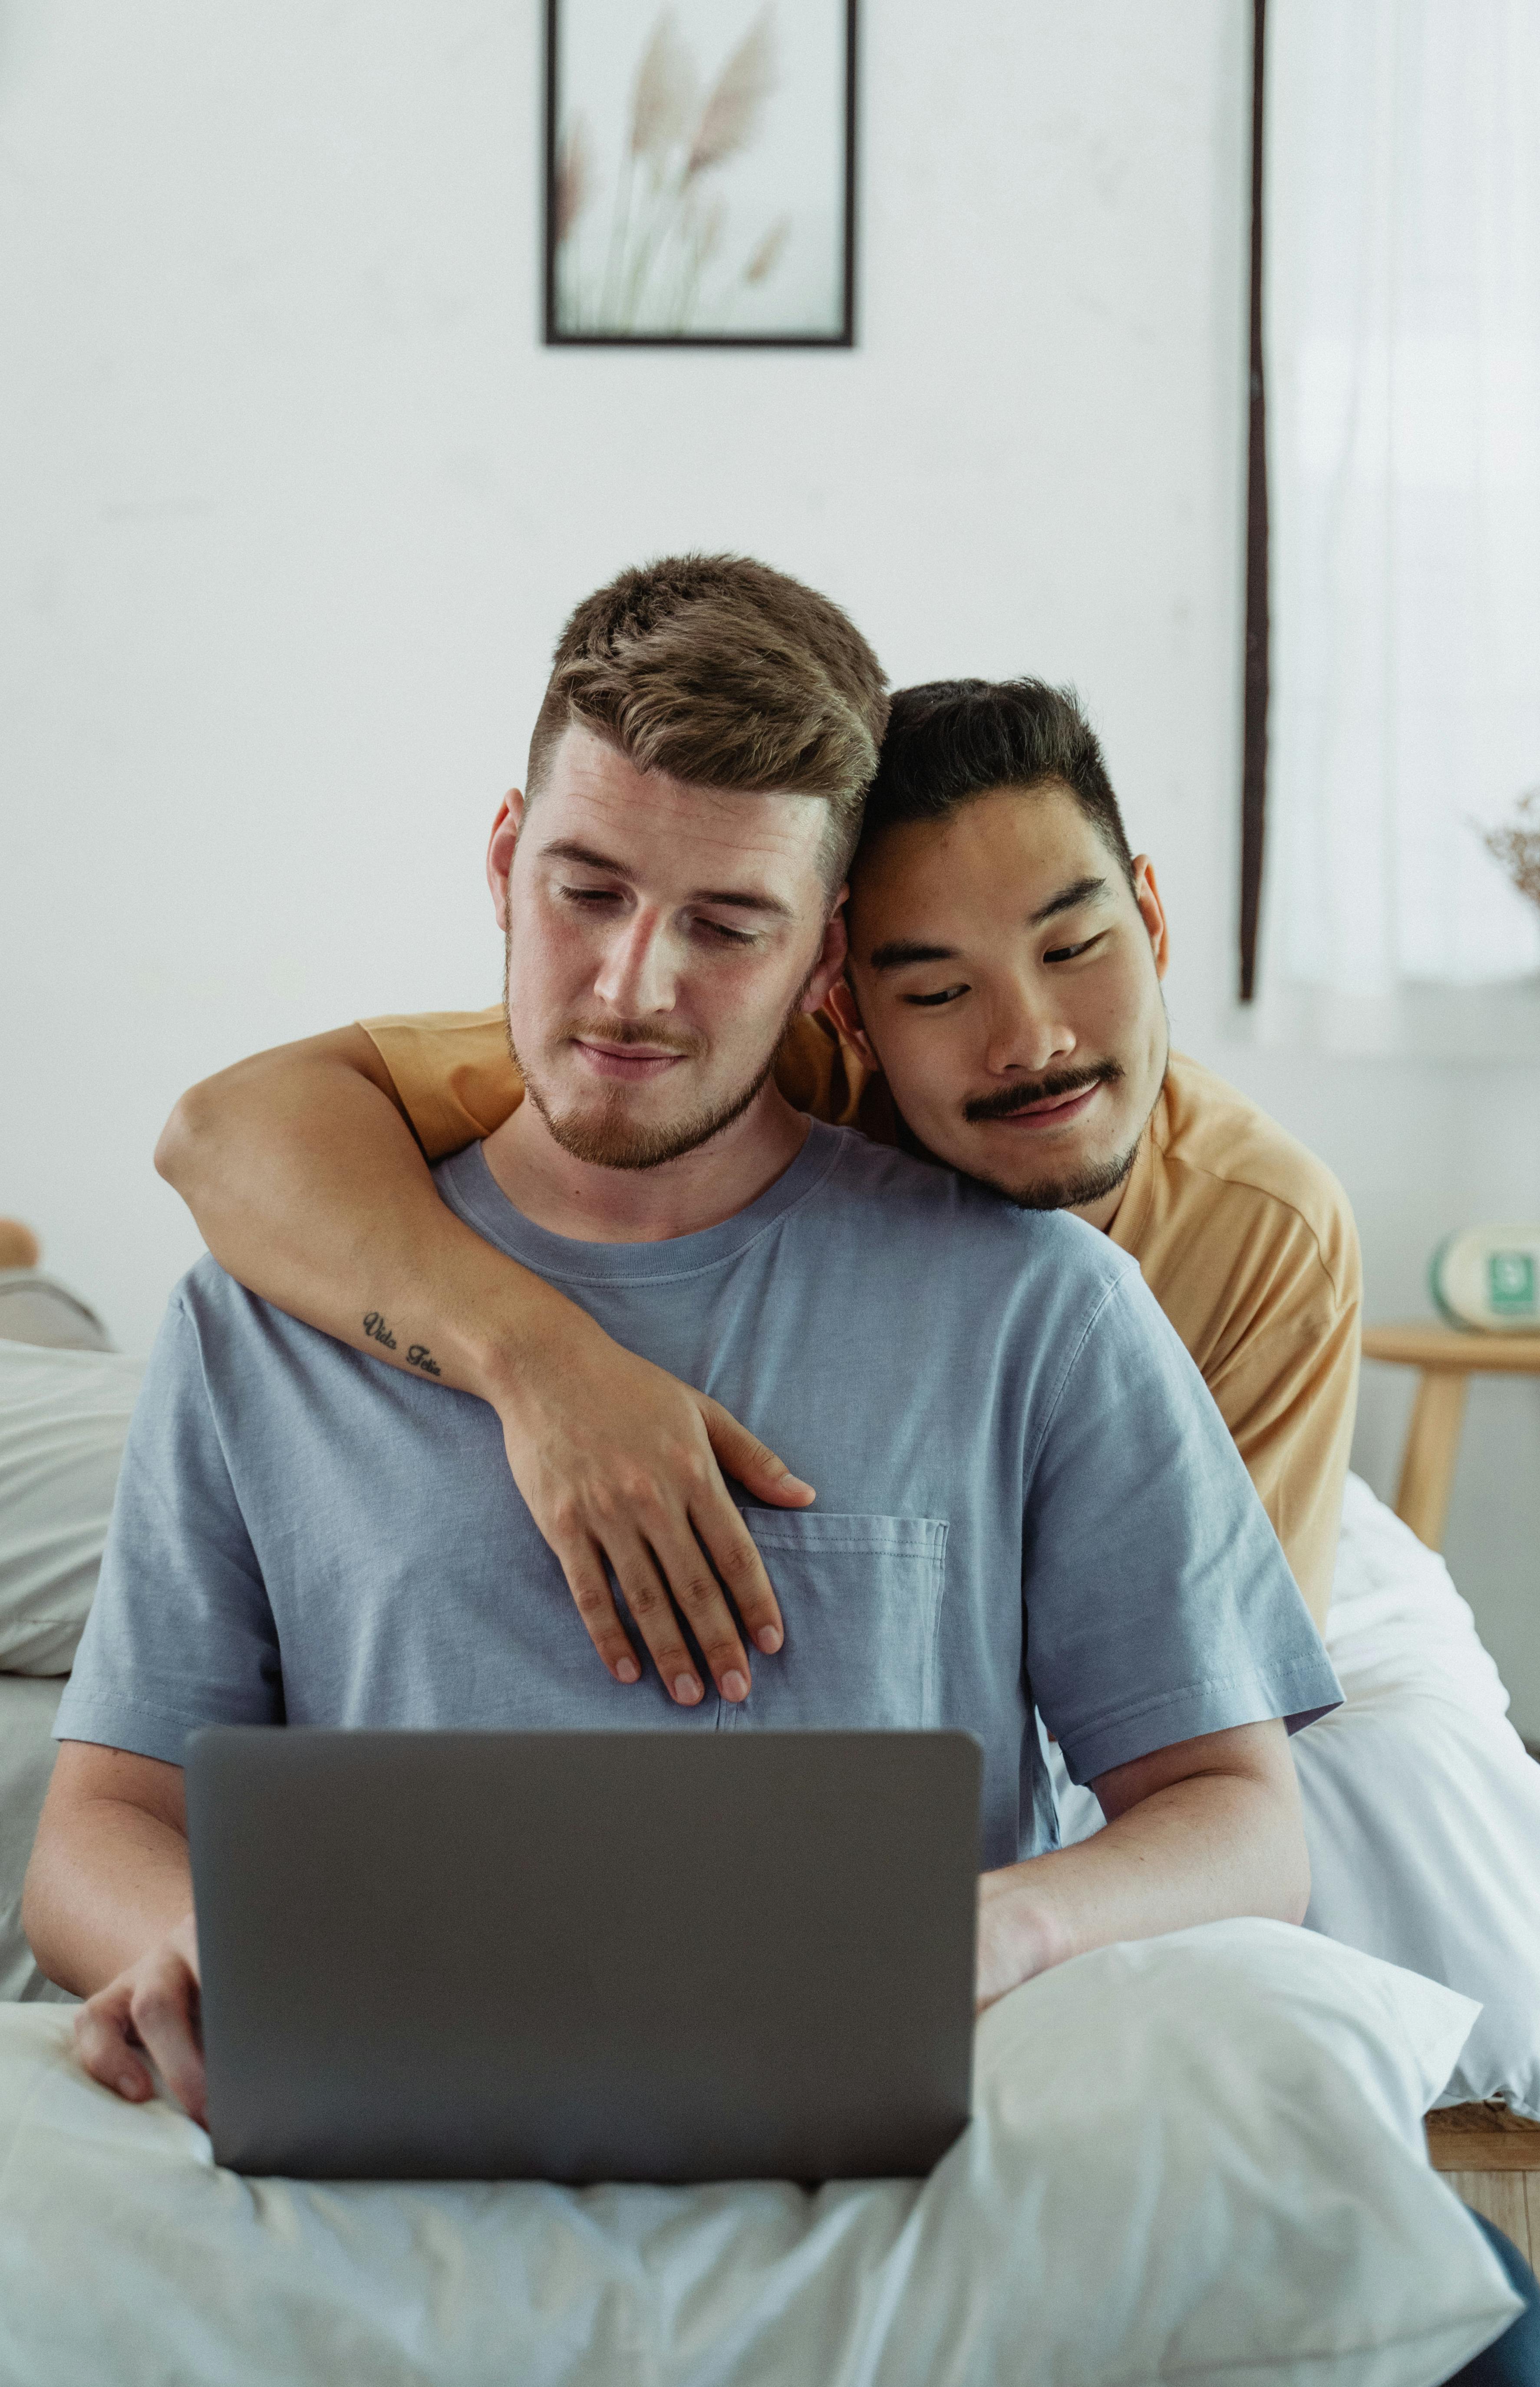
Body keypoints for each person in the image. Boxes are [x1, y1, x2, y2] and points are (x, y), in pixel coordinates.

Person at [25, 552, 1336, 2120]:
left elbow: (1244, 1819)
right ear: (505, 855)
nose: (630, 989)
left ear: (826, 960)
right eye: (585, 892)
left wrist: (1015, 1920)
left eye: (727, 925)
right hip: (383, 2134)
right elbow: (94, 1824)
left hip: (879, 2153)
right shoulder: (258, 1321)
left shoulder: (1036, 1306)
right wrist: (199, 1948)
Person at [153, 678, 1358, 1723]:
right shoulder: (731, 1068)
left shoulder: (1262, 1232)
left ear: (1148, 916)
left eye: (1074, 948)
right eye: (935, 991)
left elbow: (1208, 1693)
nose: (1029, 1043)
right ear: (836, 994)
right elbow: (224, 1133)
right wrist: (543, 1366)